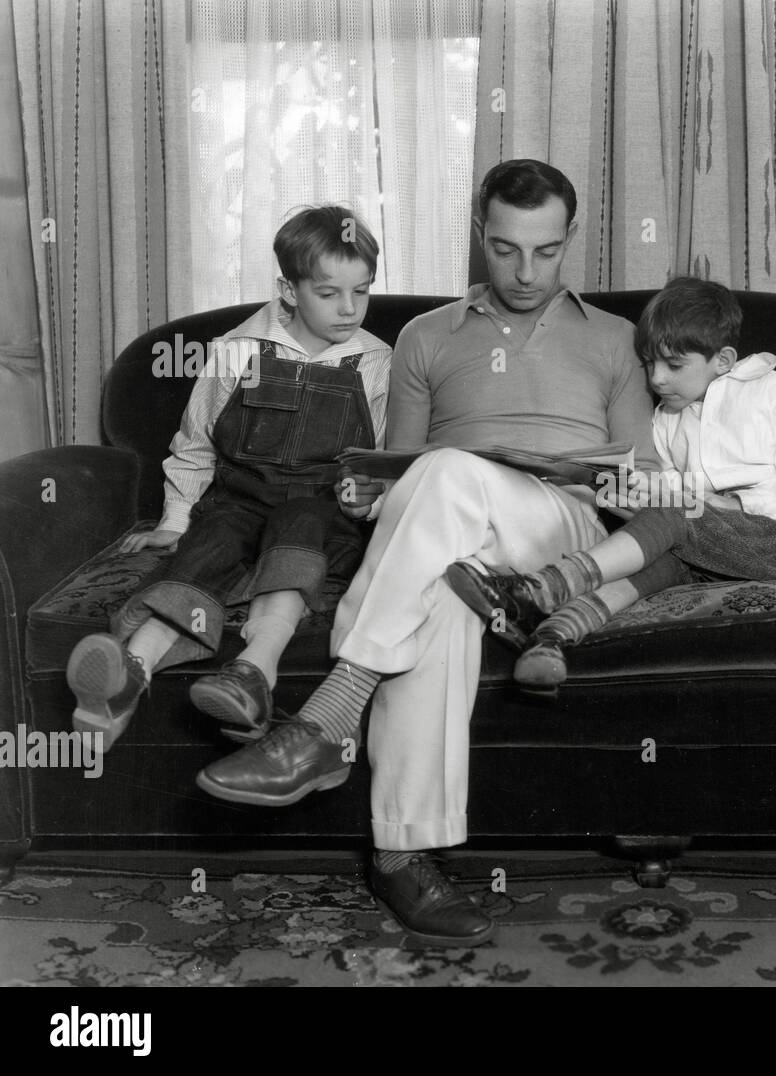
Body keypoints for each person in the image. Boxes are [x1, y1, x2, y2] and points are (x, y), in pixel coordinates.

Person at [195, 160, 659, 948]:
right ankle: (403, 855)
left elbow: (644, 486)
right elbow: (395, 478)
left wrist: (587, 471)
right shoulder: (423, 336)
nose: (524, 270)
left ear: (570, 239)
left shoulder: (618, 339)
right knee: (441, 582)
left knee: (449, 476)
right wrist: (363, 494)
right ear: (481, 236)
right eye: (506, 249)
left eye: (546, 252)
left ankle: (321, 724)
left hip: (558, 524)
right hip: (448, 530)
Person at [66, 205, 390, 758]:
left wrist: (367, 497)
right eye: (329, 293)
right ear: (288, 289)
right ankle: (129, 674)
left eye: (361, 292)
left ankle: (254, 670)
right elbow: (194, 444)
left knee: (300, 522)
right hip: (239, 501)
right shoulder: (235, 352)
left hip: (321, 511)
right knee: (211, 542)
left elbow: (380, 462)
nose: (348, 309)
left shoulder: (376, 361)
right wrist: (173, 522)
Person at [443, 276, 776, 692]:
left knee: (677, 514)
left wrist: (730, 504)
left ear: (722, 360)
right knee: (657, 565)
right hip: (709, 552)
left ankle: (546, 584)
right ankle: (550, 639)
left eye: (673, 365)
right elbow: (672, 495)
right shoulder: (667, 418)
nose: (657, 379)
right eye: (650, 363)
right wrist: (631, 494)